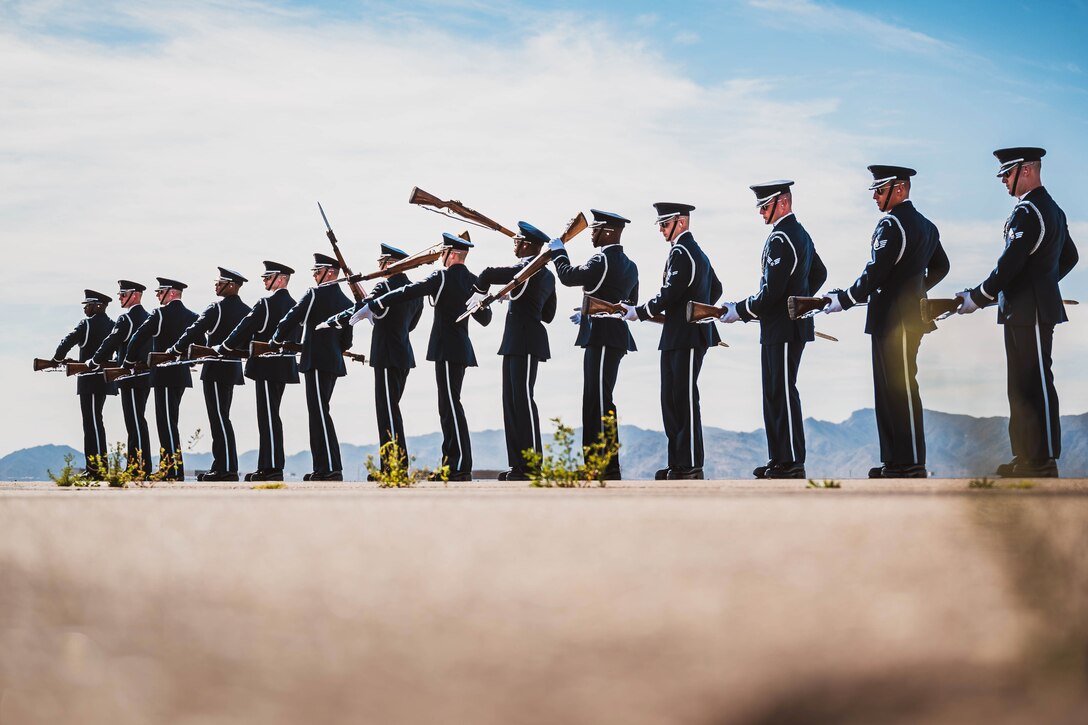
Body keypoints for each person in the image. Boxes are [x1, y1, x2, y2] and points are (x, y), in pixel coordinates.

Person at [955, 147, 1079, 478]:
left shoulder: (1031, 211)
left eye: (1006, 173)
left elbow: (1010, 263)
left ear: (1026, 170)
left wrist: (978, 296)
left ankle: (1042, 459)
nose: (1003, 180)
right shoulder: (1051, 209)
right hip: (1023, 308)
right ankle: (1026, 456)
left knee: (1036, 382)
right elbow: (1069, 257)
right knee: (1021, 385)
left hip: (1032, 310)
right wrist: (1042, 282)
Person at [823, 165, 949, 478]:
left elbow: (876, 271)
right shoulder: (927, 226)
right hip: (898, 315)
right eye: (875, 191)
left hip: (896, 318)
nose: (876, 197)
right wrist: (914, 289)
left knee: (901, 388)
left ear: (900, 189)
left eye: (881, 190)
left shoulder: (892, 224)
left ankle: (911, 462)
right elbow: (941, 267)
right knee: (887, 389)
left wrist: (846, 298)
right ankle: (894, 460)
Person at [350, 233, 492, 482]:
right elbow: (485, 319)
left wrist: (373, 304)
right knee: (449, 407)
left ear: (451, 254)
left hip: (446, 349)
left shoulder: (442, 277)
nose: (440, 258)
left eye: (443, 253)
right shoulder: (473, 281)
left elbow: (407, 290)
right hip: (460, 349)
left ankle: (458, 466)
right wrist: (480, 299)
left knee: (450, 407)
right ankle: (454, 464)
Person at [718, 181, 827, 479]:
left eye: (765, 206)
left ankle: (791, 460)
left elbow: (771, 292)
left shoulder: (781, 237)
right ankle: (780, 458)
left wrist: (739, 310)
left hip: (782, 327)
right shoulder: (800, 234)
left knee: (781, 391)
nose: (761, 212)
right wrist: (798, 298)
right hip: (786, 324)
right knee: (775, 392)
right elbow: (819, 273)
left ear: (783, 203)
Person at [621, 202, 722, 480]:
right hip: (678, 334)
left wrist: (640, 312)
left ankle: (689, 463)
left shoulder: (684, 251)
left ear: (681, 222)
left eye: (665, 224)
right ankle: (679, 461)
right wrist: (695, 308)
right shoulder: (694, 253)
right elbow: (715, 288)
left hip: (688, 335)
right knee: (672, 399)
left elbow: (671, 292)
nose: (662, 230)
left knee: (684, 399)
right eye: (661, 225)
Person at [548, 209, 638, 480]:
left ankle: (600, 464)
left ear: (607, 232)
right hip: (613, 334)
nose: (591, 234)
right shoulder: (631, 265)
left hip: (601, 335)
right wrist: (588, 310)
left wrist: (558, 252)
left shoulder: (601, 259)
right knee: (602, 399)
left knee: (596, 401)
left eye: (595, 230)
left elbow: (568, 276)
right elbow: (629, 302)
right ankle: (606, 463)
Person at [325, 244, 423, 480]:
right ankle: (394, 466)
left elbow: (362, 309)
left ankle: (393, 468)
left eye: (382, 262)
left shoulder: (384, 286)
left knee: (387, 413)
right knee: (392, 410)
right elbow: (411, 325)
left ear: (390, 264)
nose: (379, 267)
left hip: (387, 355)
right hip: (403, 355)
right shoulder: (414, 290)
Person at [475, 222, 557, 480]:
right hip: (516, 340)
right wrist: (514, 296)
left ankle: (532, 464)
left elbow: (488, 274)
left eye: (518, 241)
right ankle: (519, 464)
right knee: (511, 402)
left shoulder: (528, 269)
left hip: (526, 340)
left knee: (522, 400)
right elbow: (549, 314)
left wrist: (478, 293)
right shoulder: (543, 274)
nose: (515, 245)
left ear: (528, 245)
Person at [271, 253, 354, 481]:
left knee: (318, 413)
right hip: (334, 362)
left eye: (317, 272)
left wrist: (275, 340)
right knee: (321, 411)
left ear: (328, 272)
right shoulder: (348, 302)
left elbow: (290, 319)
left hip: (316, 361)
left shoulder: (315, 295)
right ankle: (325, 466)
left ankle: (329, 468)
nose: (315, 276)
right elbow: (347, 341)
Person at [221, 261, 300, 482]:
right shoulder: (295, 304)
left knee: (267, 417)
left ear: (281, 279)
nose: (264, 281)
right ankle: (268, 465)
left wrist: (226, 347)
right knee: (271, 415)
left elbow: (246, 327)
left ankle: (272, 467)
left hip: (266, 366)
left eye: (268, 277)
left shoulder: (266, 304)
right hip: (284, 366)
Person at [171, 267, 252, 481]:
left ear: (230, 285)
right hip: (233, 368)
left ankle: (225, 468)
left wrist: (174, 350)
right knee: (223, 417)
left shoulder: (216, 308)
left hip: (216, 369)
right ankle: (225, 465)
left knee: (218, 418)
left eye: (219, 282)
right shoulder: (246, 310)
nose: (216, 285)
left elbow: (194, 330)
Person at [125, 278, 198, 480]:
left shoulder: (160, 315)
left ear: (171, 293)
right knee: (170, 422)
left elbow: (137, 339)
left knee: (165, 424)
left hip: (164, 376)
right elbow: (200, 345)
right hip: (181, 376)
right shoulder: (192, 316)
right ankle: (173, 468)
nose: (157, 296)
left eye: (160, 292)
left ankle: (171, 470)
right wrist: (187, 363)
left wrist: (129, 361)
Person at [89, 280, 151, 476]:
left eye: (123, 294)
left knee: (134, 423)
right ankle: (136, 465)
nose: (119, 298)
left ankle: (140, 466)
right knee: (137, 421)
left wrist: (94, 360)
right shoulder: (149, 317)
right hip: (146, 376)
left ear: (135, 295)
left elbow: (111, 342)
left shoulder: (126, 319)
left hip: (130, 377)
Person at [52, 289, 116, 476]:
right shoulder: (112, 325)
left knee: (92, 423)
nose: (85, 309)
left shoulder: (87, 325)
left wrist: (57, 358)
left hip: (90, 380)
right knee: (96, 421)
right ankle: (97, 466)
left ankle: (96, 468)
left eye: (87, 305)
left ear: (98, 306)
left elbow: (67, 341)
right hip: (104, 379)